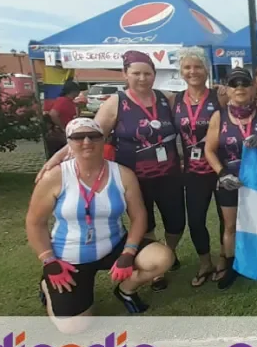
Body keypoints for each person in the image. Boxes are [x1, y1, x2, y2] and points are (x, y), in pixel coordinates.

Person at [36, 51, 185, 292]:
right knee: (144, 221)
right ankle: (156, 271)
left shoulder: (165, 98)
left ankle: (170, 251)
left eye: (147, 73)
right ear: (126, 74)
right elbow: (88, 135)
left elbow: (192, 103)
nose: (142, 78)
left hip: (169, 174)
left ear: (154, 75)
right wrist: (55, 159)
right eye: (136, 73)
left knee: (177, 222)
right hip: (133, 178)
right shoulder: (116, 102)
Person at [26, 118, 174, 332]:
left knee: (162, 257)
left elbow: (139, 216)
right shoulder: (55, 177)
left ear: (103, 139)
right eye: (78, 137)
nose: (86, 141)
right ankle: (47, 285)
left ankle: (126, 289)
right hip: (69, 256)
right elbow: (34, 223)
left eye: (93, 136)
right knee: (73, 327)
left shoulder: (122, 174)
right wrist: (48, 260)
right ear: (69, 142)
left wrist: (128, 252)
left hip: (114, 245)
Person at [204, 68, 257, 289]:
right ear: (227, 89)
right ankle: (232, 266)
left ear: (254, 87)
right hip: (230, 181)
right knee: (231, 226)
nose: (240, 88)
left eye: (245, 83)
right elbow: (209, 150)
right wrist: (221, 173)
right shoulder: (220, 116)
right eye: (234, 84)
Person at [171, 47, 227, 287]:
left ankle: (224, 259)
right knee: (196, 219)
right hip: (193, 171)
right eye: (187, 67)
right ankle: (205, 261)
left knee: (227, 218)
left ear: (206, 70)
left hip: (220, 166)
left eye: (197, 67)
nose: (192, 71)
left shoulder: (220, 96)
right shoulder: (174, 100)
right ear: (181, 71)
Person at [45, 81, 82, 156]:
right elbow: (53, 114)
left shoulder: (71, 102)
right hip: (60, 134)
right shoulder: (62, 101)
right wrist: (62, 127)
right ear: (73, 91)